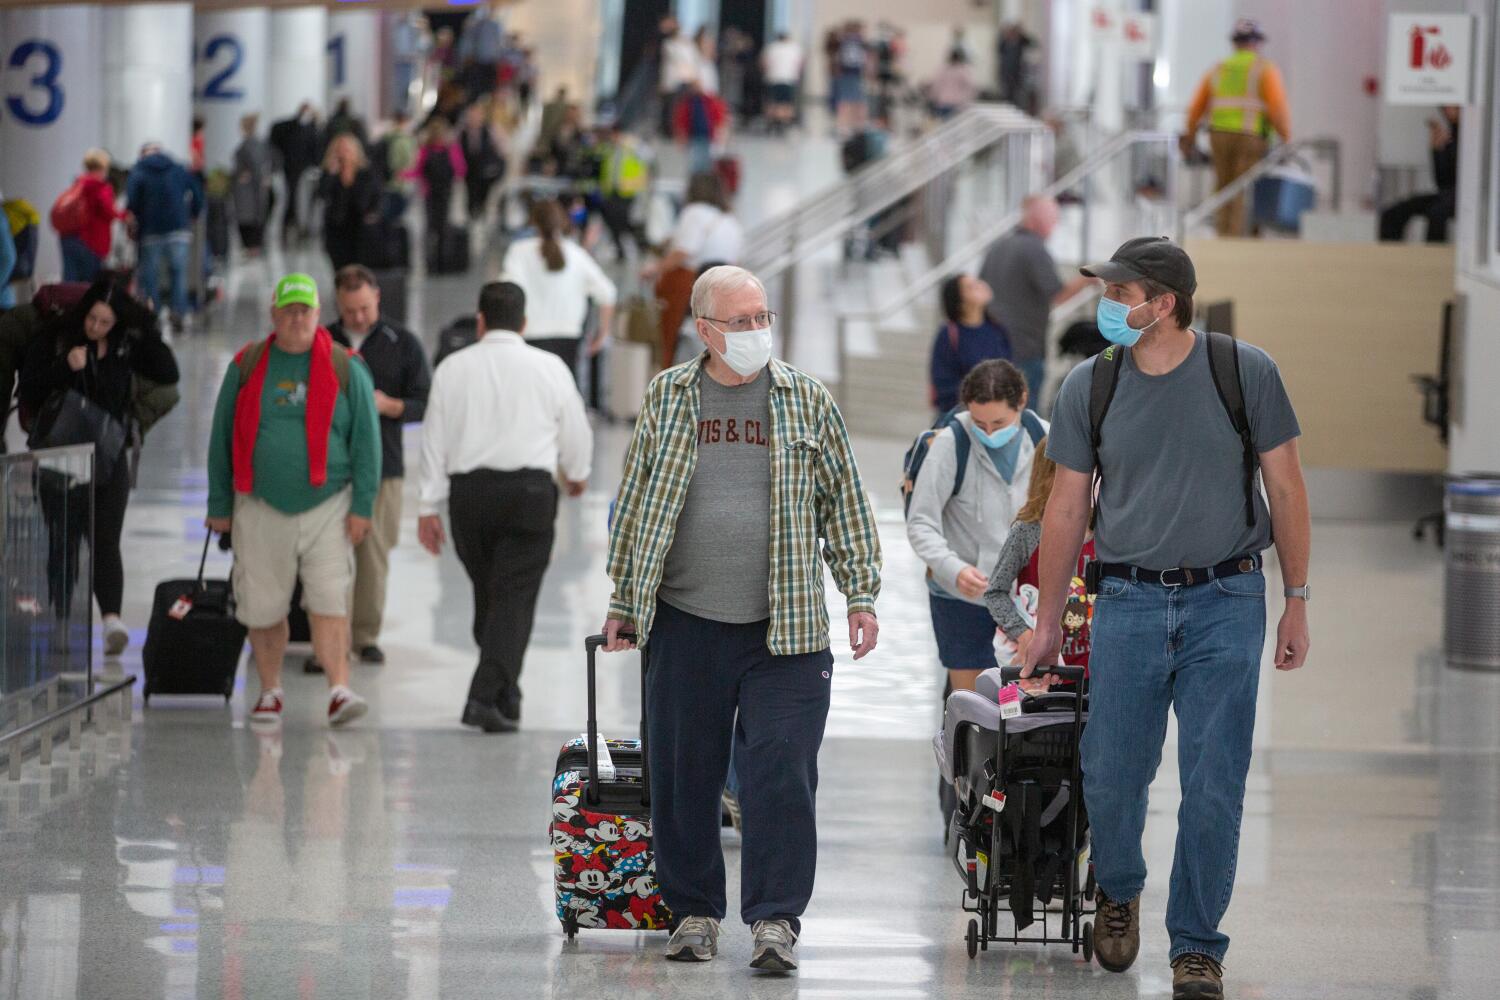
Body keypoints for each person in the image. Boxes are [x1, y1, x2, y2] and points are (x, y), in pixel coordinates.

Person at [1018, 237, 1310, 1000]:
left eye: (1119, 293)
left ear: (1164, 303)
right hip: (1127, 601)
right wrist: (1047, 621)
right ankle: (1118, 889)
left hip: (1227, 599)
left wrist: (1298, 600)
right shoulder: (1091, 384)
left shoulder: (1245, 372)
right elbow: (1067, 505)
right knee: (1112, 772)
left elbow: (1286, 488)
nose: (1106, 305)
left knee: (1215, 781)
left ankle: (1197, 945)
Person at [599, 264, 881, 971]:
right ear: (705, 329)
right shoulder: (669, 396)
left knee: (782, 774)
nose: (757, 330)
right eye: (741, 320)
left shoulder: (806, 399)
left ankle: (776, 920)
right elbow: (633, 503)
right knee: (684, 775)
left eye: (762, 317)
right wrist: (624, 603)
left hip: (786, 629)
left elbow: (846, 502)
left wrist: (861, 594)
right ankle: (694, 911)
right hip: (685, 621)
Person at [205, 273, 381, 729]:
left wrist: (363, 507)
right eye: (290, 311)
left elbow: (367, 443)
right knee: (263, 605)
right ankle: (270, 691)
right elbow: (221, 438)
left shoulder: (347, 367)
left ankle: (339, 690)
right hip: (259, 505)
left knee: (330, 600)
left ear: (319, 314)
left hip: (329, 506)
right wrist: (219, 504)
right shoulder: (246, 365)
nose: (298, 319)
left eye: (306, 311)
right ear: (274, 314)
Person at [416, 281, 591, 733]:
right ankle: (484, 698)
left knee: (492, 597)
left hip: (469, 497)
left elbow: (433, 439)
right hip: (529, 495)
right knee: (511, 600)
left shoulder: (452, 367)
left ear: (480, 321)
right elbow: (575, 427)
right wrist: (577, 472)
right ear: (524, 322)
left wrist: (428, 505)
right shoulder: (549, 367)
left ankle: (505, 695)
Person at [19, 278, 179, 655]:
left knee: (106, 539)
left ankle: (111, 620)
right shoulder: (56, 338)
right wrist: (64, 366)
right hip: (60, 454)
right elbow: (29, 388)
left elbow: (168, 373)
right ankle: (62, 620)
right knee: (63, 540)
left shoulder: (125, 346)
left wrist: (148, 328)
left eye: (105, 322)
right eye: (92, 318)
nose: (95, 327)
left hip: (108, 455)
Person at [906, 359, 1043, 693]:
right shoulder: (951, 442)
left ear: (1022, 401)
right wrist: (952, 568)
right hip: (963, 598)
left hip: (1026, 600)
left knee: (1023, 704)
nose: (989, 433)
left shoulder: (1046, 438)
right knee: (970, 704)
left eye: (999, 423)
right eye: (980, 423)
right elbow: (921, 522)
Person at [327, 266, 430, 666]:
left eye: (365, 309)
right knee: (327, 557)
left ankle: (365, 635)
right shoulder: (323, 342)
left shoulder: (401, 342)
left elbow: (425, 401)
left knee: (373, 555)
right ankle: (329, 638)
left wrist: (390, 406)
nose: (357, 318)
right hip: (331, 470)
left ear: (377, 300)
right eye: (349, 311)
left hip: (384, 466)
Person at [982, 444, 1096, 681]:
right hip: (1040, 673)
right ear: (1046, 478)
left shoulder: (1106, 533)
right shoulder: (1027, 532)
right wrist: (1023, 634)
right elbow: (995, 592)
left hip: (1096, 672)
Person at [978, 194, 1095, 404]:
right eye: (1052, 218)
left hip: (992, 345)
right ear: (1037, 218)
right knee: (1024, 412)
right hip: (1025, 349)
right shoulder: (1034, 248)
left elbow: (981, 292)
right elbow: (1058, 294)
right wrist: (1089, 277)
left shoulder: (998, 246)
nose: (1055, 224)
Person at [1182, 19, 1292, 237]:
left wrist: (1191, 135)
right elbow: (1277, 108)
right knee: (1242, 188)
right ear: (1257, 43)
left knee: (1223, 187)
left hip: (1219, 135)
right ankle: (1236, 239)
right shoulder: (1264, 69)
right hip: (1251, 136)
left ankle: (1223, 234)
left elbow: (1196, 107)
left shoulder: (1218, 69)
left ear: (1234, 43)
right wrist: (1286, 137)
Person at [500, 200, 617, 388]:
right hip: (568, 339)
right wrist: (603, 333)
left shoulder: (519, 251)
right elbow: (608, 293)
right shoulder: (576, 253)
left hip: (529, 335)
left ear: (533, 222)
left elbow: (507, 290)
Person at [643, 172, 742, 369]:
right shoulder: (731, 220)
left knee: (668, 334)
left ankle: (665, 371)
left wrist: (655, 268)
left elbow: (684, 251)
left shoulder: (694, 212)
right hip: (723, 286)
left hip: (688, 283)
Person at [127, 142, 204, 333]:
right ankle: (179, 313)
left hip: (151, 231)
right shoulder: (178, 168)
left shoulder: (139, 171)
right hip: (179, 229)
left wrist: (138, 217)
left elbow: (132, 201)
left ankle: (154, 314)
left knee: (150, 275)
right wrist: (193, 213)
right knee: (178, 273)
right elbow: (197, 193)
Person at [930, 274, 1011, 414]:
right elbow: (943, 382)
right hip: (961, 415)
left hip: (995, 414)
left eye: (978, 282)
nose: (980, 286)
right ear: (960, 300)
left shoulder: (996, 329)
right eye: (970, 287)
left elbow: (1008, 370)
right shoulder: (948, 334)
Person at [1380, 106, 1460, 243]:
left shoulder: (1473, 135)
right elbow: (1443, 182)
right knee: (1392, 214)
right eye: (1445, 107)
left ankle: (1433, 255)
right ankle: (1390, 253)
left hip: (1470, 197)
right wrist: (1437, 151)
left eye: (1452, 107)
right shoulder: (1450, 135)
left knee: (1437, 212)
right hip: (1448, 194)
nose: (1448, 110)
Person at [54, 149, 127, 283]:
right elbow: (109, 212)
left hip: (68, 238)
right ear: (104, 167)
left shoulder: (78, 184)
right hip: (90, 241)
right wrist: (125, 215)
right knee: (89, 284)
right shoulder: (101, 187)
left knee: (70, 282)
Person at [317, 135, 381, 272]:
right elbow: (322, 194)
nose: (344, 154)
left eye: (347, 150)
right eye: (339, 150)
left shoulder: (366, 173)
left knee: (358, 266)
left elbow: (374, 196)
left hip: (359, 227)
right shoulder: (329, 172)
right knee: (339, 266)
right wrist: (331, 174)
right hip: (336, 226)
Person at [403, 122, 468, 255]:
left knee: (440, 227)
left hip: (444, 193)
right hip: (432, 193)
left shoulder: (449, 149)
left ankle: (440, 256)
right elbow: (417, 170)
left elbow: (460, 170)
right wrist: (403, 175)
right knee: (433, 227)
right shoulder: (427, 150)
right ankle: (434, 257)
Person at [597, 123, 651, 260]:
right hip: (612, 190)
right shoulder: (610, 149)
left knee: (624, 220)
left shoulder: (632, 148)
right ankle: (620, 248)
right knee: (611, 219)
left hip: (628, 190)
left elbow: (648, 161)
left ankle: (640, 244)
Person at [269, 103, 321, 245]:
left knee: (301, 200)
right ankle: (293, 227)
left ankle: (300, 228)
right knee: (292, 199)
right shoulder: (292, 128)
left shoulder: (310, 129)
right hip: (293, 169)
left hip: (303, 171)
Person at [232, 115, 274, 255]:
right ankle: (253, 247)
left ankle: (253, 247)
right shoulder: (256, 144)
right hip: (252, 190)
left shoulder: (252, 145)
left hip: (250, 191)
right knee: (253, 217)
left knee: (251, 219)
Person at [458, 102, 505, 223]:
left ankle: (481, 218)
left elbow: (502, 149)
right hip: (469, 170)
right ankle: (471, 219)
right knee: (471, 197)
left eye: (476, 115)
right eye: (471, 115)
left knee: (484, 197)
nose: (473, 118)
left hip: (486, 171)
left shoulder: (490, 129)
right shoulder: (462, 131)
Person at [673, 79, 727, 176]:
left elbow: (719, 119)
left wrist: (721, 135)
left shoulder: (710, 101)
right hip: (694, 137)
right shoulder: (687, 103)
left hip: (708, 137)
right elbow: (681, 122)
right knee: (695, 163)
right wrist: (681, 139)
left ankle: (705, 180)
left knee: (708, 163)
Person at [761, 32, 803, 134]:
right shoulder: (794, 48)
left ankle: (772, 122)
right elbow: (800, 64)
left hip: (773, 78)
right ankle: (784, 123)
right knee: (786, 102)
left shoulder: (771, 48)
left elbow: (764, 63)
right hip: (788, 78)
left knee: (773, 101)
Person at [833, 21, 869, 136]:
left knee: (847, 100)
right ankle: (852, 126)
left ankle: (845, 126)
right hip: (853, 74)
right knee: (854, 101)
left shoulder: (844, 42)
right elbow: (859, 60)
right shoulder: (856, 42)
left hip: (848, 74)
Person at [927, 49, 977, 120]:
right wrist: (967, 100)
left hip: (944, 102)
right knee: (956, 124)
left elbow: (936, 85)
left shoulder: (943, 69)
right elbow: (971, 86)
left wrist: (932, 98)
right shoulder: (964, 70)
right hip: (957, 103)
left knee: (945, 123)